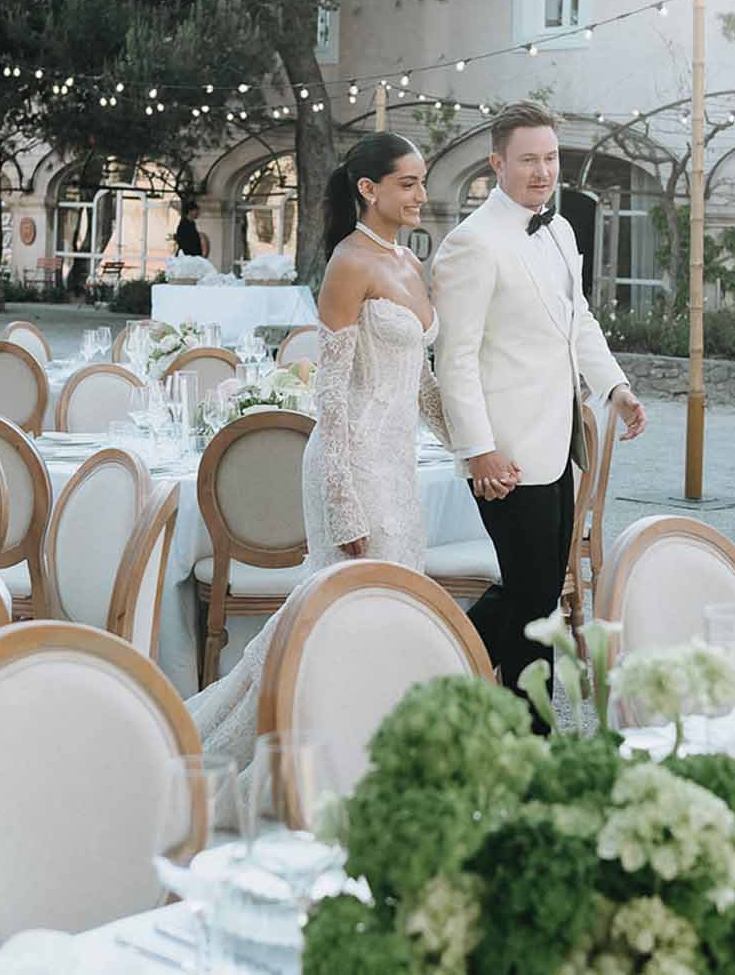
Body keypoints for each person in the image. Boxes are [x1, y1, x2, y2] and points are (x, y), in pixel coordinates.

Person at [184, 132, 447, 763]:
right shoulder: (348, 264)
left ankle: (372, 756)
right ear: (369, 189)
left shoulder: (410, 264)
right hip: (350, 465)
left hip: (397, 467)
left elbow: (421, 382)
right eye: (407, 183)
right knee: (344, 617)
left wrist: (471, 446)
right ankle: (302, 757)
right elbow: (330, 401)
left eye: (421, 181)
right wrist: (344, 503)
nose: (420, 195)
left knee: (391, 613)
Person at [431, 101, 646, 723]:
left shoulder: (560, 229)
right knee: (532, 603)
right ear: (497, 163)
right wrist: (478, 449)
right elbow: (456, 358)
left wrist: (615, 388)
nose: (542, 171)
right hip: (505, 451)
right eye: (528, 160)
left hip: (558, 445)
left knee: (541, 594)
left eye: (550, 159)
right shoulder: (472, 242)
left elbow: (578, 323)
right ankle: (524, 734)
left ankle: (441, 676)